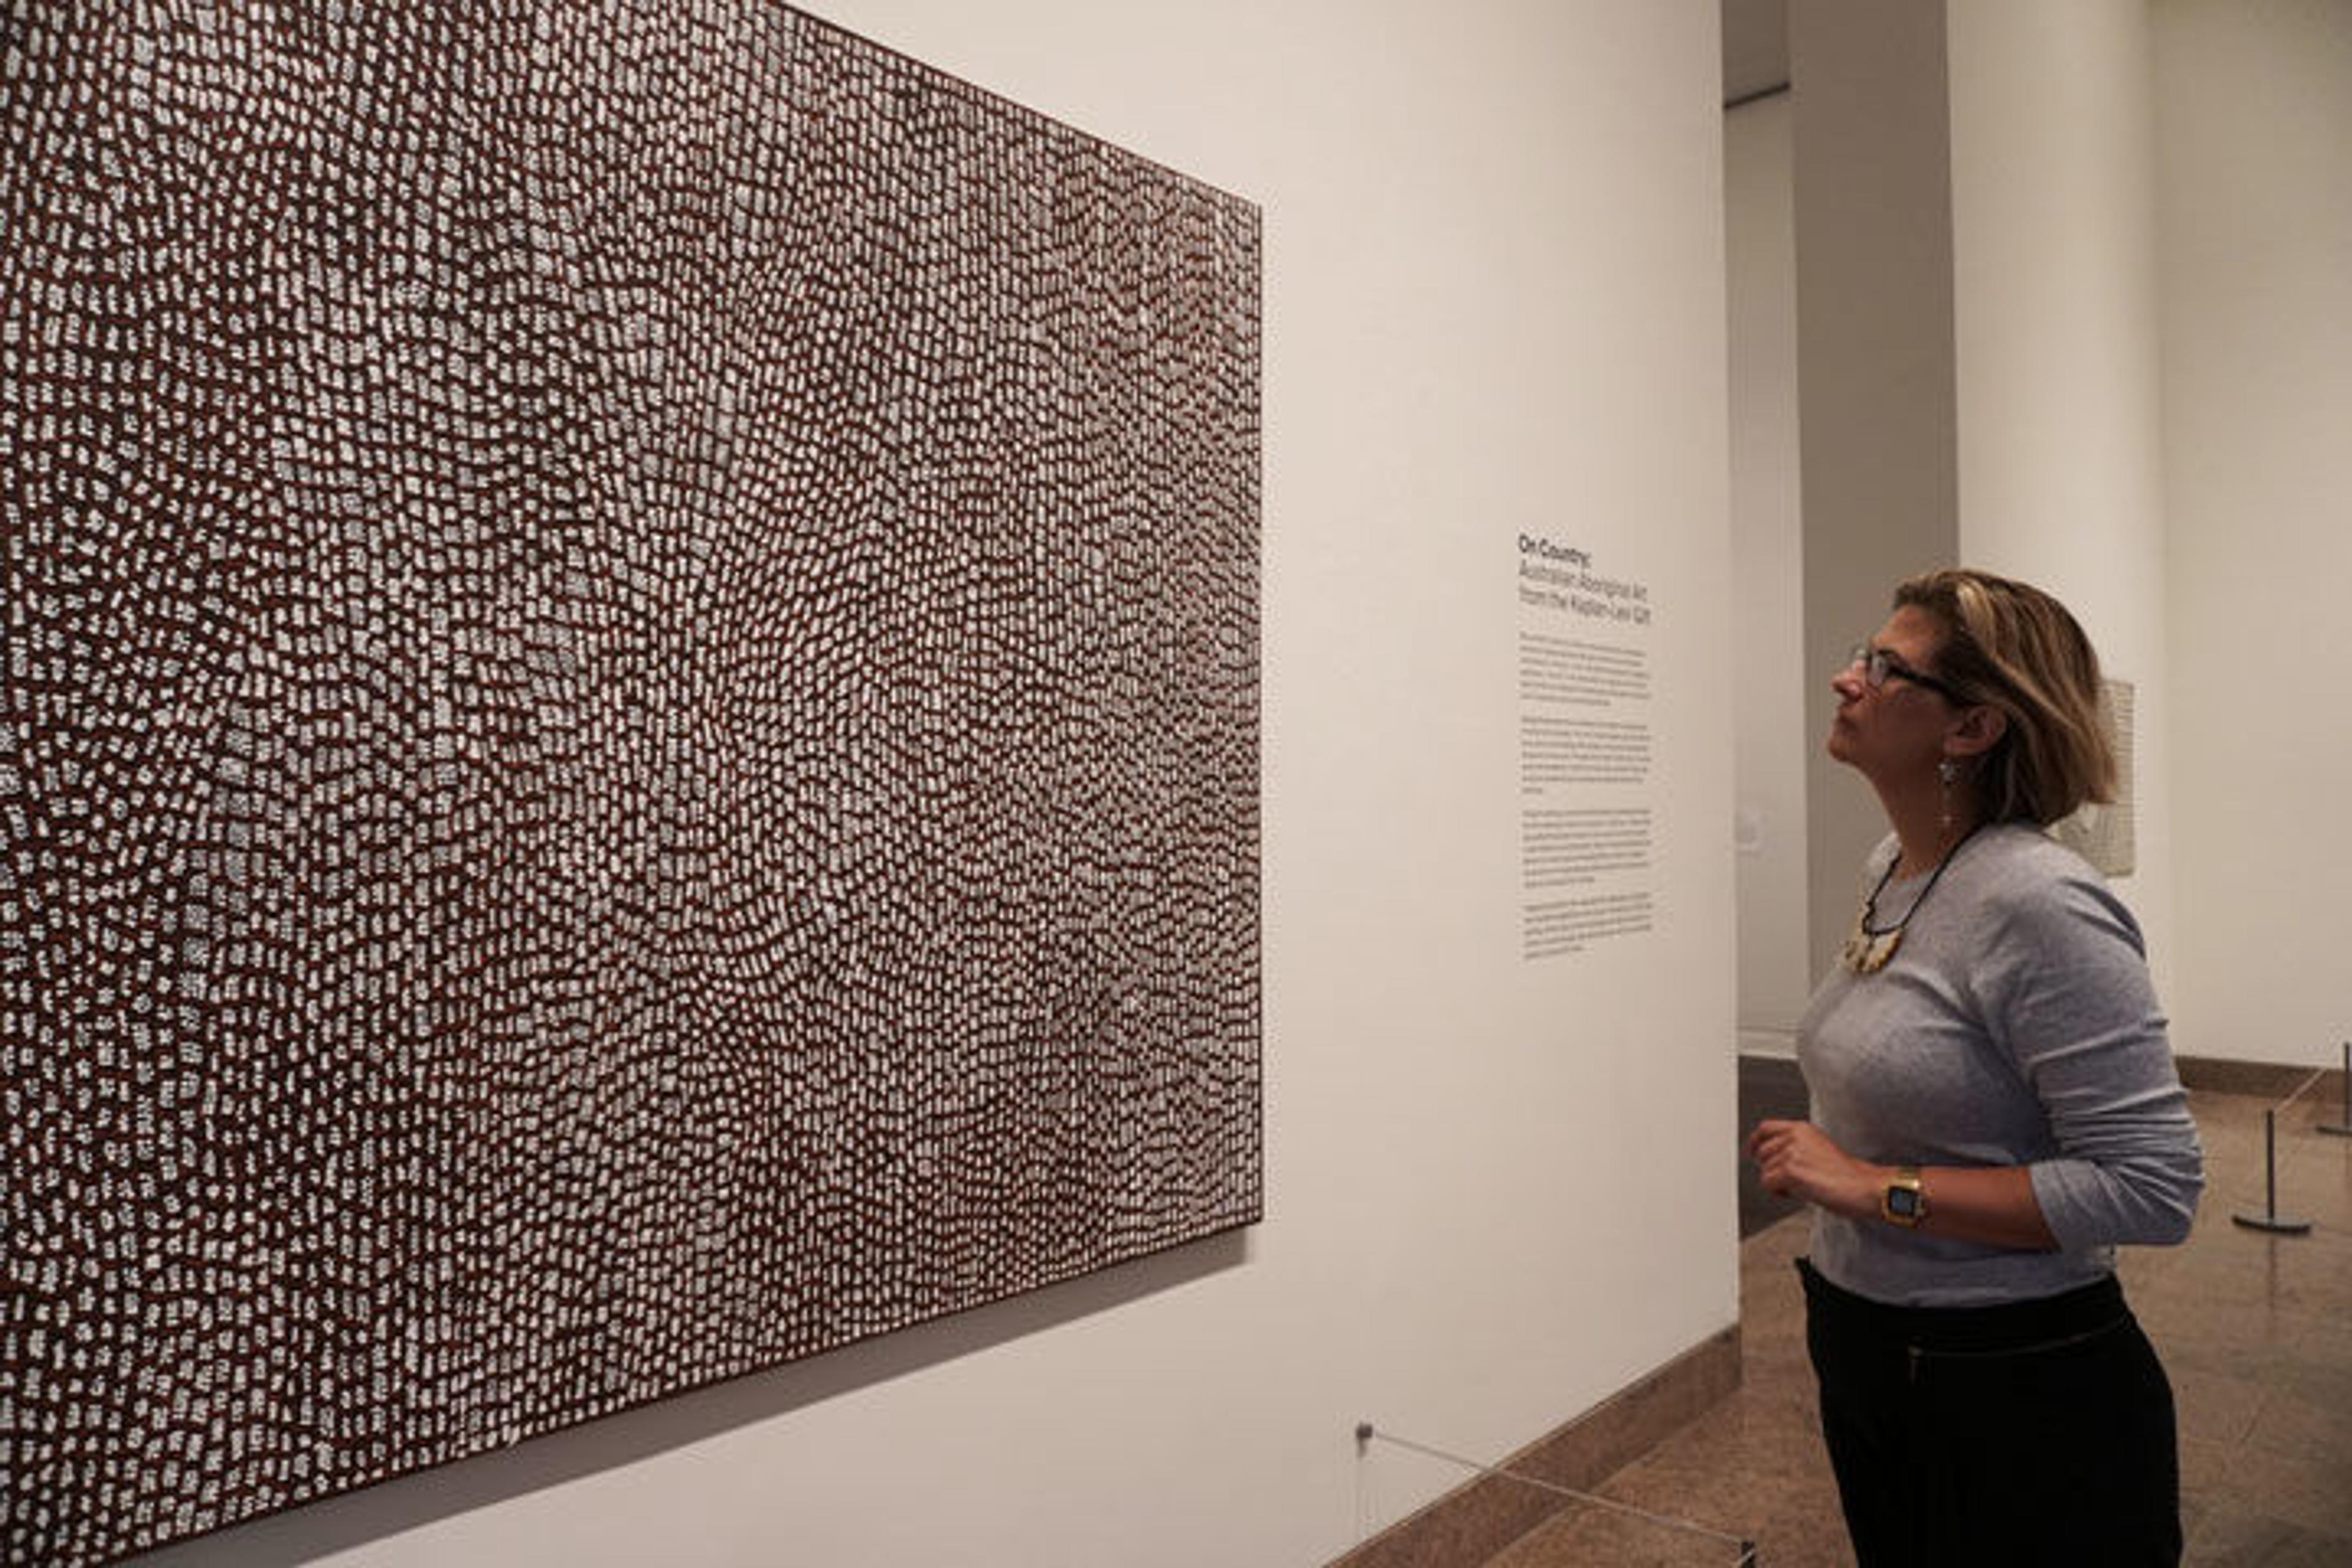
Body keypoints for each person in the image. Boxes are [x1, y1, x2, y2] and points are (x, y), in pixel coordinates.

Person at [1744, 567, 2204, 1567]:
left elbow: (2155, 1188)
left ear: (1971, 731)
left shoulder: (2041, 904)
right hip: (1871, 1344)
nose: (1844, 678)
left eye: (1883, 667)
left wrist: (1874, 1188)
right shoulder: (1897, 866)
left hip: (2015, 1383)